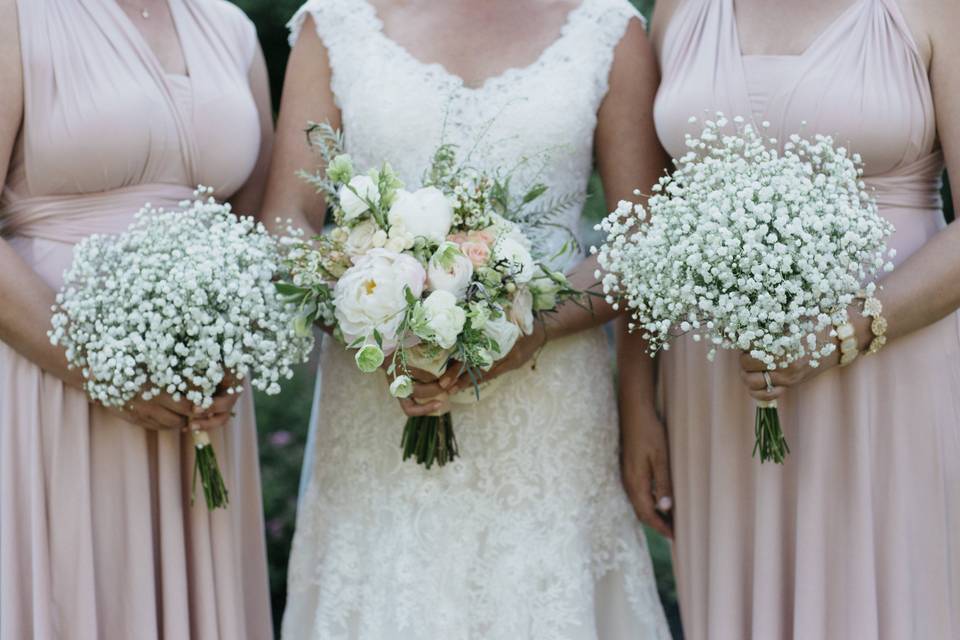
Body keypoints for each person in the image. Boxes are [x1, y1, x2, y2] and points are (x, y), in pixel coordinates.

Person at [262, 0, 673, 637]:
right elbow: (287, 220)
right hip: (377, 409)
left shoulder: (607, 30)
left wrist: (535, 325)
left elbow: (642, 241)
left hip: (551, 418)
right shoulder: (335, 22)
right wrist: (376, 319)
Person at [635, 0, 960, 637]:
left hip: (888, 377)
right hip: (719, 384)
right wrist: (638, 404)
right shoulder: (679, 11)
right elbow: (649, 221)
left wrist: (847, 331)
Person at [0, 1, 275, 637]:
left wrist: (233, 348)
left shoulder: (230, 28)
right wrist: (94, 367)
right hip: (56, 379)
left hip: (203, 401)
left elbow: (255, 224)